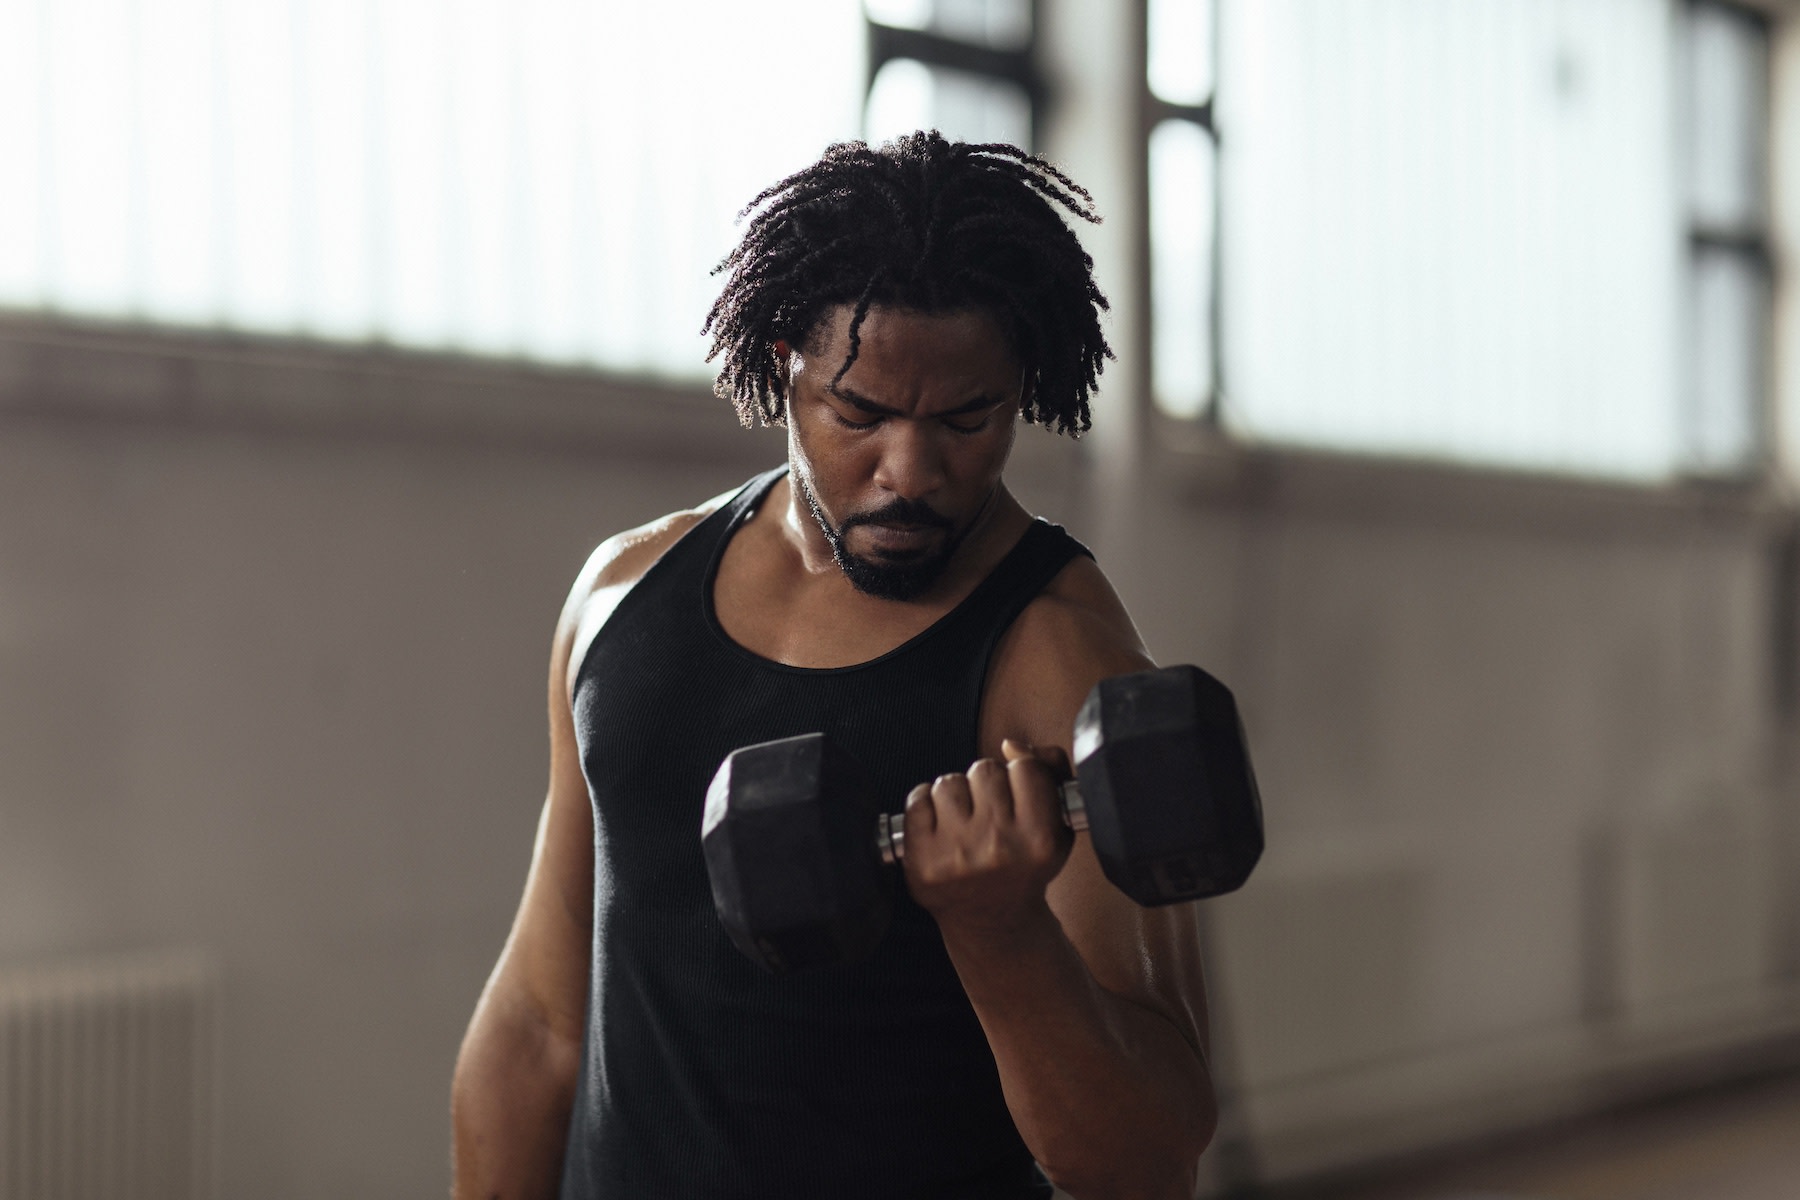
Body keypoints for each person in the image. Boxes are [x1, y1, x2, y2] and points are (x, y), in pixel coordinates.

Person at [451, 132, 1216, 1200]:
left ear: (1021, 391)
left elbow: (1146, 1157)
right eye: (860, 413)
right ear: (783, 369)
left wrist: (1000, 931)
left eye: (967, 418)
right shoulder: (622, 599)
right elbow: (539, 1021)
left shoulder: (1058, 659)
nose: (911, 471)